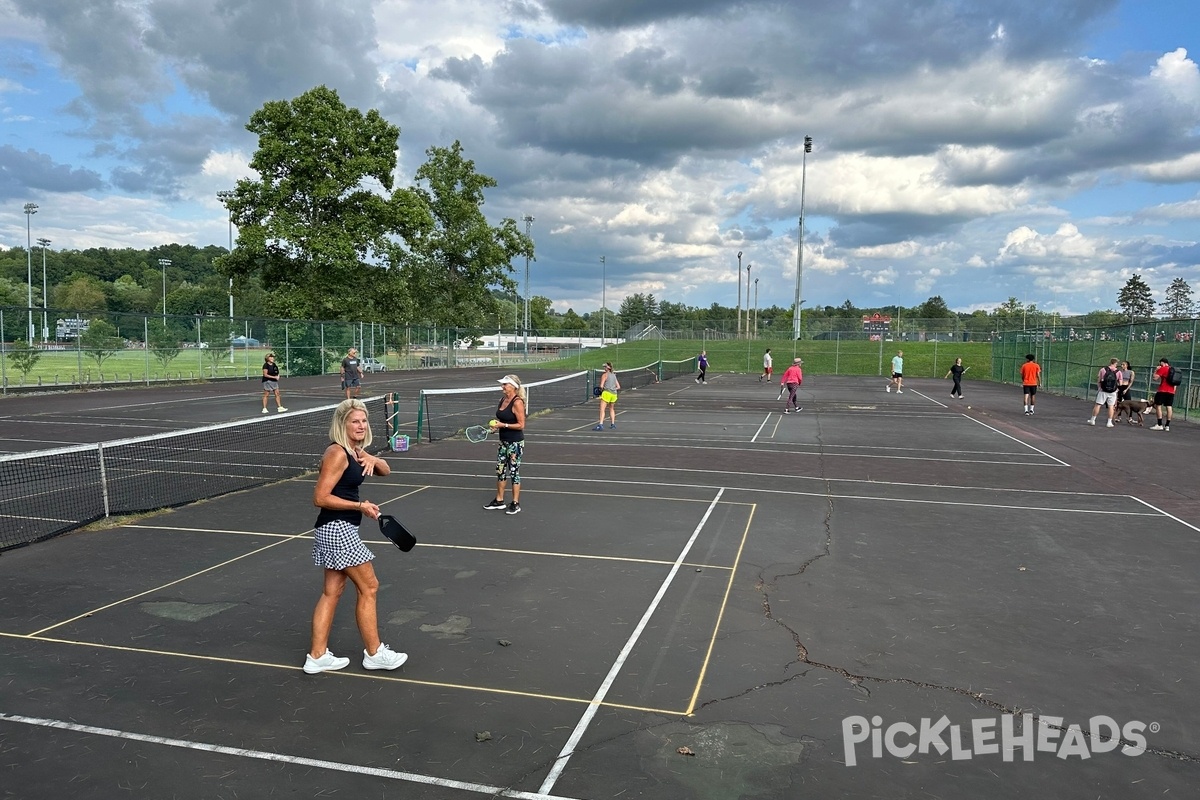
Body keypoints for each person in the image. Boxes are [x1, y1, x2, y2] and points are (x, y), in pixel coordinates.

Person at [305, 399, 406, 674]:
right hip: (337, 528)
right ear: (343, 424)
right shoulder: (337, 453)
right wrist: (359, 506)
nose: (361, 426)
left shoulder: (355, 451)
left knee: (332, 591)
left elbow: (385, 470)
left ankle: (317, 656)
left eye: (363, 421)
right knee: (369, 587)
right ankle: (374, 653)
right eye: (355, 421)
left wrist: (373, 459)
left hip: (335, 528)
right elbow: (320, 497)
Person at [484, 375, 526, 514]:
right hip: (503, 442)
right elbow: (500, 419)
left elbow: (521, 425)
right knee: (500, 470)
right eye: (502, 384)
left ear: (513, 386)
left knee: (513, 472)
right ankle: (499, 500)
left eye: (505, 384)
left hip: (515, 443)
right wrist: (496, 427)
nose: (502, 387)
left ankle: (515, 503)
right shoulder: (502, 400)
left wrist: (504, 425)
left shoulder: (517, 402)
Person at [1087, 358, 1121, 427]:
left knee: (1098, 404)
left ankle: (1093, 420)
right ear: (1116, 363)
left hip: (1103, 390)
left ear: (1110, 362)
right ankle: (1109, 422)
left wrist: (1100, 387)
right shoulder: (1118, 372)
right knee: (1111, 406)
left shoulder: (1103, 370)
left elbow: (1099, 379)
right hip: (1113, 392)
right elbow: (1120, 383)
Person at [1151, 358, 1176, 431]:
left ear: (1164, 363)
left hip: (1162, 390)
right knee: (1169, 406)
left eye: (1161, 364)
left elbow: (1155, 378)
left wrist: (1156, 370)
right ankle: (1167, 425)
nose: (1160, 365)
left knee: (1158, 405)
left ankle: (1159, 424)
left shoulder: (1163, 369)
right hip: (1171, 391)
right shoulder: (1173, 370)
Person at [594, 362, 621, 430]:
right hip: (614, 394)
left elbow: (601, 386)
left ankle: (600, 424)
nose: (604, 368)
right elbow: (618, 387)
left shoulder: (605, 375)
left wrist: (600, 391)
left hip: (607, 394)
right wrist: (612, 389)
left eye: (605, 367)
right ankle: (613, 424)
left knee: (602, 409)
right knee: (611, 409)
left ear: (608, 368)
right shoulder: (614, 375)